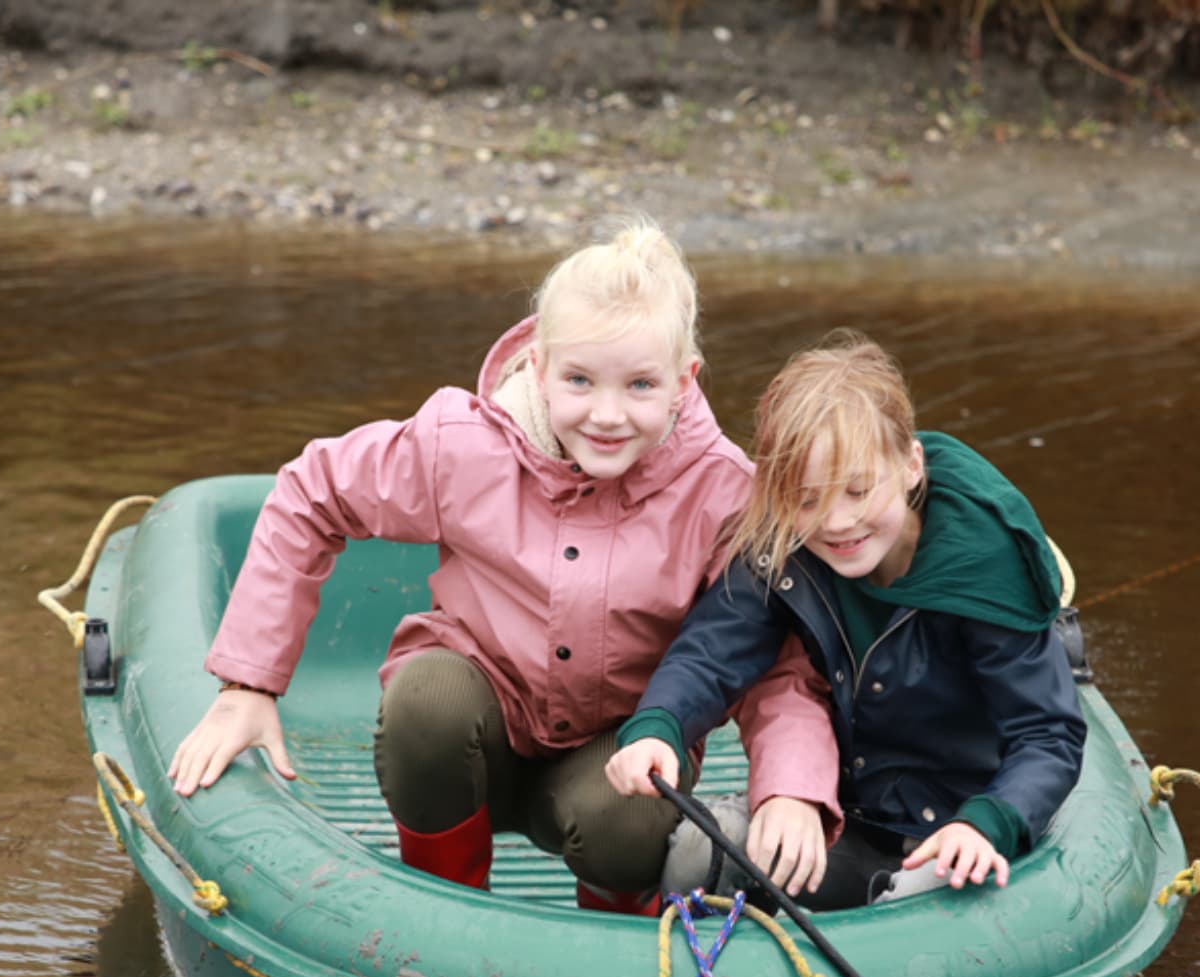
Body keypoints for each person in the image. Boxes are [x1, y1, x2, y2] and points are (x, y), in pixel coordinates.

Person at [167, 217, 837, 914]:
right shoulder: (466, 446)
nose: (607, 415)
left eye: (640, 385)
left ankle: (618, 937)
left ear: (682, 382)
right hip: (475, 728)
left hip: (618, 747)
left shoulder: (724, 493)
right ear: (540, 369)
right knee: (426, 702)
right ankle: (446, 906)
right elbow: (313, 491)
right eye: (579, 380)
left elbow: (774, 659)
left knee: (631, 813)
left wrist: (789, 787)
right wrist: (248, 685)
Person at [605, 331, 1086, 909]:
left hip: (955, 829)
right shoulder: (784, 544)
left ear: (910, 466)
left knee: (922, 895)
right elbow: (712, 651)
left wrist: (987, 824)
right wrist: (660, 725)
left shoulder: (984, 568)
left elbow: (1047, 735)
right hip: (843, 816)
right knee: (696, 852)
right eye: (807, 500)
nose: (836, 522)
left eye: (858, 490)